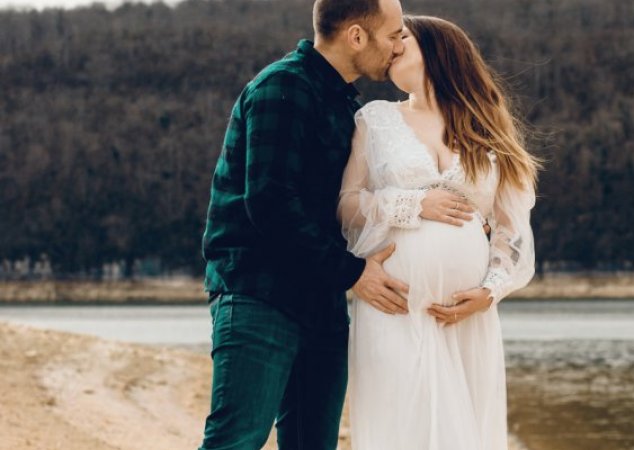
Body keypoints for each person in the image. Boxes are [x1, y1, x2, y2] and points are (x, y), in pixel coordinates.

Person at [198, 1, 429, 448]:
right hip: (258, 295)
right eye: (394, 34)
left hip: (321, 300)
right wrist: (354, 273)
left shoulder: (344, 104)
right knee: (236, 441)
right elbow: (268, 204)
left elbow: (357, 204)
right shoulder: (281, 88)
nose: (399, 45)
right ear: (357, 37)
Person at [338, 15, 540, 450]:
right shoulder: (375, 120)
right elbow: (347, 206)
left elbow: (512, 228)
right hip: (394, 304)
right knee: (403, 429)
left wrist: (490, 291)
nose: (391, 48)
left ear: (436, 51)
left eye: (402, 39)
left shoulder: (486, 126)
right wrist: (412, 203)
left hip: (465, 316)